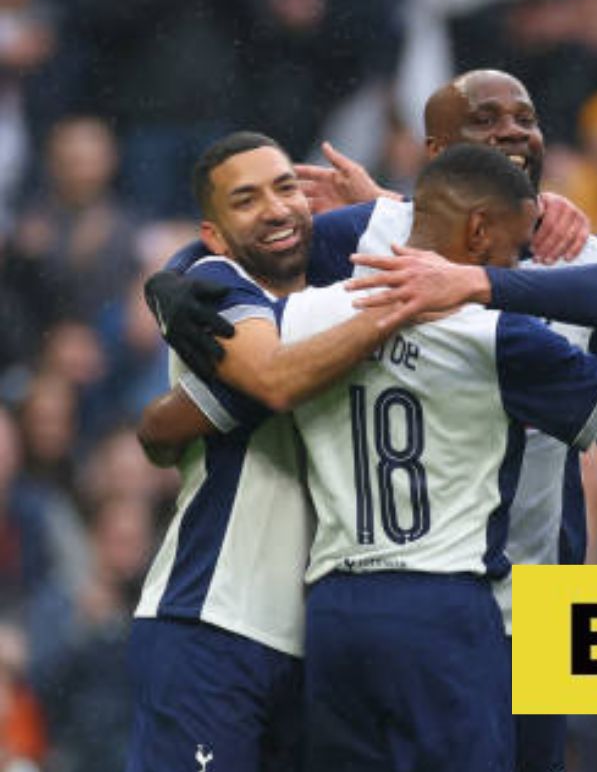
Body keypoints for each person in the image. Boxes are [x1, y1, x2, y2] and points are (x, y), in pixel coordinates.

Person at [143, 69, 597, 772]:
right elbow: (242, 258)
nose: (510, 131)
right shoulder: (369, 237)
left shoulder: (591, 258)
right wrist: (172, 282)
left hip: (536, 595)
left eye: (524, 117)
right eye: (484, 121)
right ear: (437, 150)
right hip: (419, 594)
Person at [273, 143, 597, 771]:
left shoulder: (307, 315)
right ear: (478, 229)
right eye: (514, 247)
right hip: (454, 607)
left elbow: (224, 343)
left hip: (335, 609)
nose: (520, 264)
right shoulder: (499, 333)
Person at [128, 131, 420, 772]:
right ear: (214, 233)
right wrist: (392, 312)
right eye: (246, 199)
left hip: (321, 641)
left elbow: (459, 240)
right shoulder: (214, 282)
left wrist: (382, 203)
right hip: (213, 618)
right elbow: (275, 381)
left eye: (286, 187)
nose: (277, 208)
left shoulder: (325, 288)